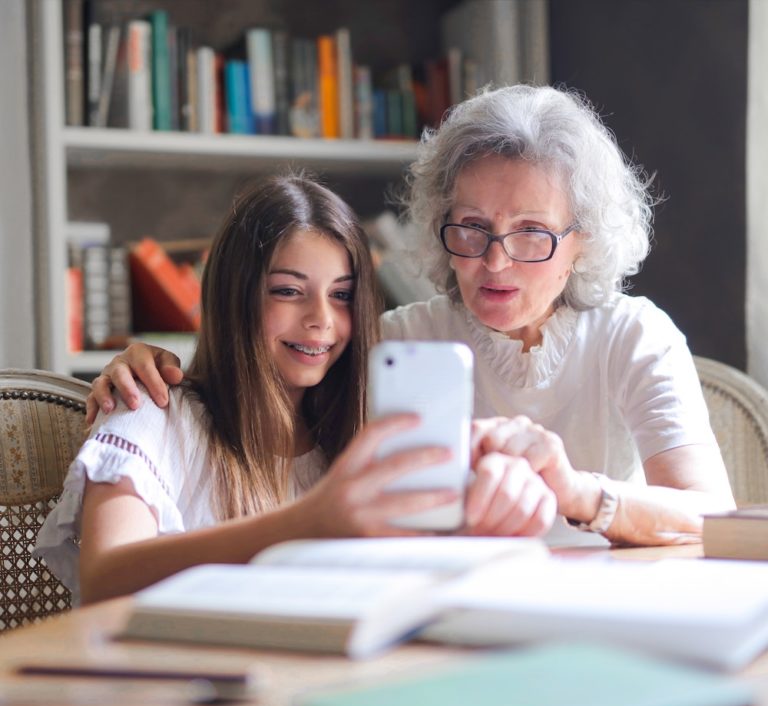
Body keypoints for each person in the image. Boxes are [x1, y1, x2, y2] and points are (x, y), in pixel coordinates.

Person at [88, 85, 734, 547]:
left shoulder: (633, 333)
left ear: (583, 240)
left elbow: (711, 515)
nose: (495, 262)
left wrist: (576, 492)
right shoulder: (393, 342)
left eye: (532, 233)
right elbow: (262, 392)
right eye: (472, 228)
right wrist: (148, 364)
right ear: (438, 223)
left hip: (608, 609)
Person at [35, 174, 556, 606]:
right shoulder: (150, 411)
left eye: (342, 296)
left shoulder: (358, 436)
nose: (321, 322)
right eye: (288, 291)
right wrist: (308, 522)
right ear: (234, 296)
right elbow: (104, 579)